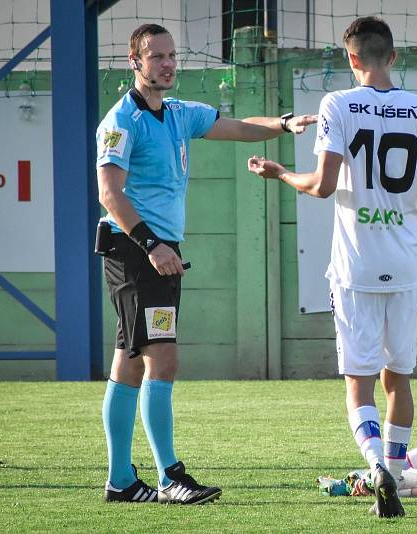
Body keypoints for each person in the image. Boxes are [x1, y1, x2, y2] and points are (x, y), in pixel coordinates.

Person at [247, 16, 417, 517]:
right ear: (393, 57)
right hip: (404, 263)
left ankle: (376, 465)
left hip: (355, 264)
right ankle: (395, 473)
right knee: (397, 377)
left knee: (358, 379)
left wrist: (281, 172)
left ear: (351, 58)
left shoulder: (337, 103)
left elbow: (324, 185)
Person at [96, 23, 315, 505]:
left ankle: (120, 481)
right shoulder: (120, 121)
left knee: (130, 363)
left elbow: (235, 127)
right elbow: (109, 194)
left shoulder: (178, 113)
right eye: (156, 57)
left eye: (172, 55)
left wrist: (284, 124)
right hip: (136, 251)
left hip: (156, 253)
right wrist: (152, 245)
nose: (168, 64)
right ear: (135, 63)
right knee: (162, 358)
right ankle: (169, 476)